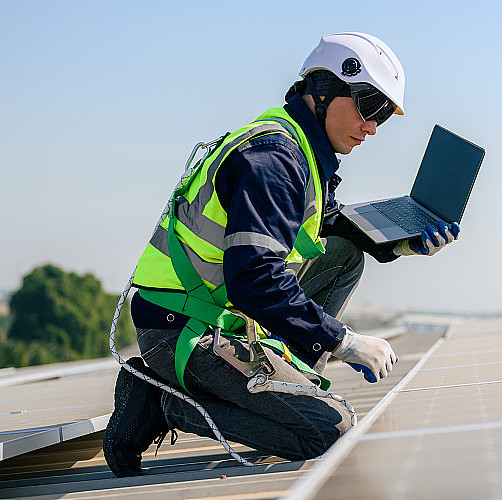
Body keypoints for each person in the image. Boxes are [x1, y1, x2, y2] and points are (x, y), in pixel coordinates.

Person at [103, 32, 460, 477]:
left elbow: (331, 224)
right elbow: (255, 280)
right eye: (369, 106)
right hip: (182, 329)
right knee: (329, 430)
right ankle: (161, 404)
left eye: (383, 116)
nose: (372, 127)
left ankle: (290, 381)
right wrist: (344, 342)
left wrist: (404, 242)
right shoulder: (274, 158)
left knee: (344, 254)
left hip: (215, 313)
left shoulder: (299, 147)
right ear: (324, 90)